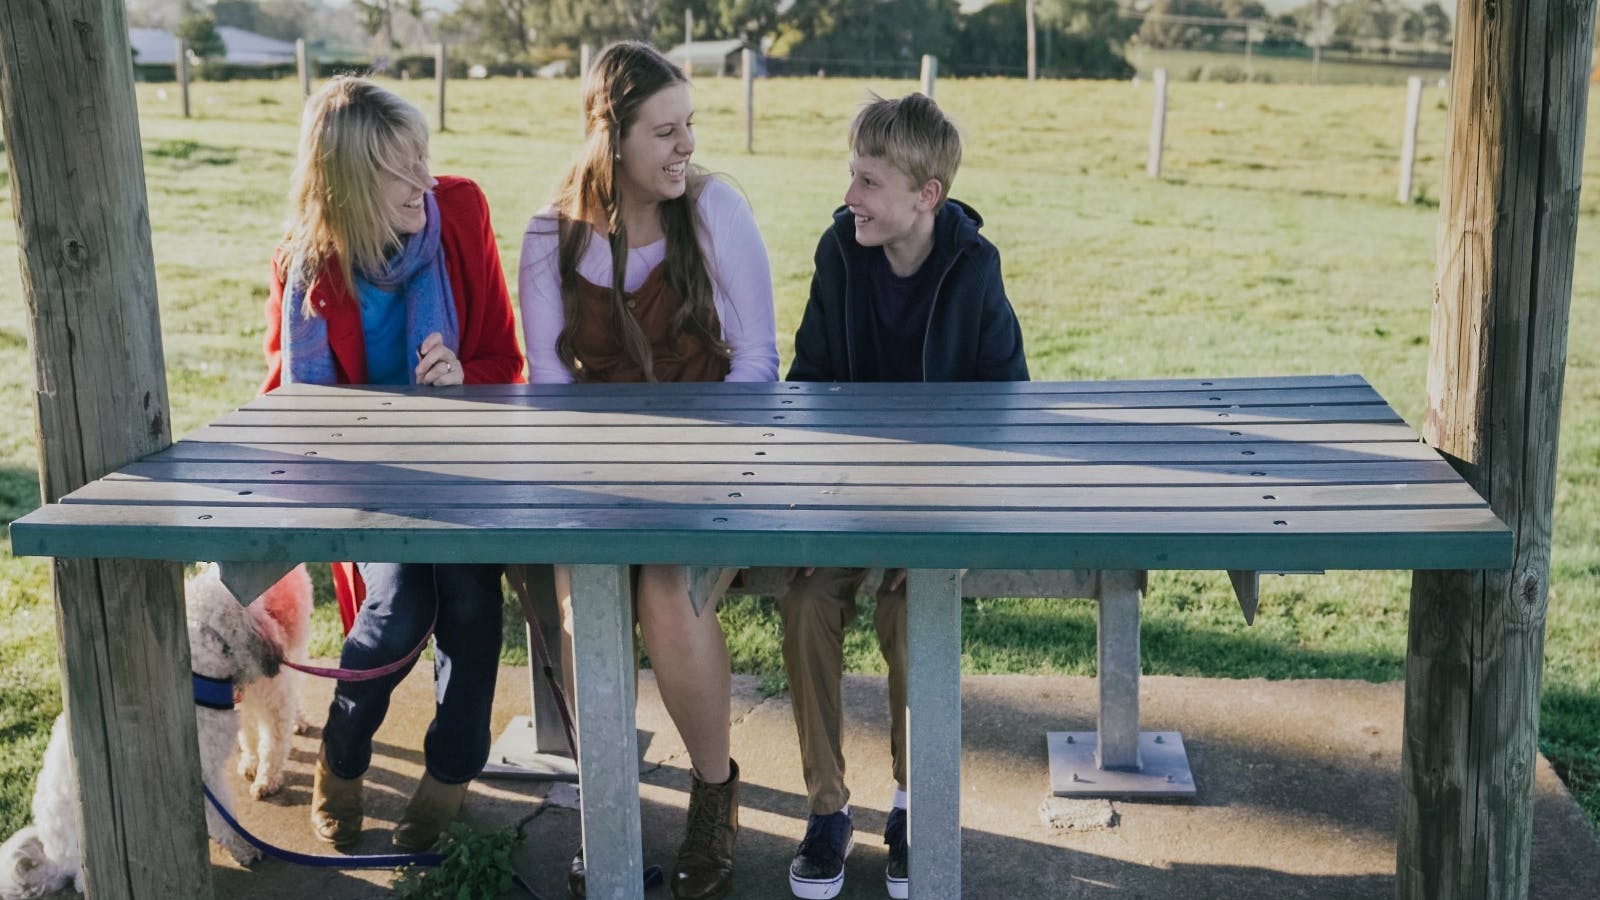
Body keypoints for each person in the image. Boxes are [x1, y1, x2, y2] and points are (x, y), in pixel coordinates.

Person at [517, 41, 778, 900]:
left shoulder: (714, 213)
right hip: (599, 475)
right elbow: (550, 398)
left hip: (716, 466)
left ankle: (714, 791)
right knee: (581, 587)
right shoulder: (551, 237)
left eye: (689, 126)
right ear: (610, 138)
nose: (686, 147)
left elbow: (756, 369)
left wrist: (700, 475)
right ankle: (609, 814)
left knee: (667, 589)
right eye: (665, 132)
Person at [261, 75, 524, 853]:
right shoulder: (303, 268)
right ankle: (341, 760)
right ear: (342, 188)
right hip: (366, 485)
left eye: (423, 160)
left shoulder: (462, 210)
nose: (423, 184)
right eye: (397, 172)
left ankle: (449, 776)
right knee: (398, 611)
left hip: (465, 469)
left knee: (473, 604)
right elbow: (286, 400)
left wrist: (462, 379)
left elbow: (504, 361)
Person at [780, 92, 1029, 899]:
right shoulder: (839, 250)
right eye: (851, 175)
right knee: (808, 601)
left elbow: (1006, 403)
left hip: (934, 502)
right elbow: (810, 378)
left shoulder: (972, 265)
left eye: (868, 181)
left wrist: (931, 527)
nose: (850, 195)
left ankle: (912, 802)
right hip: (847, 492)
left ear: (928, 195)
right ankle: (826, 810)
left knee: (908, 608)